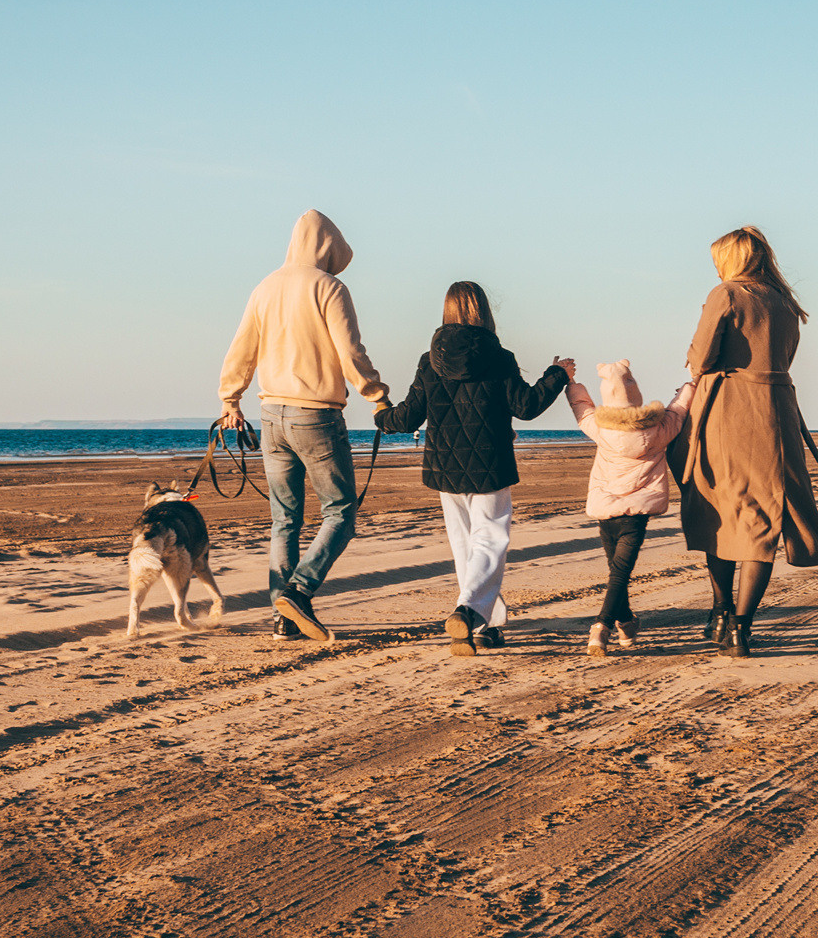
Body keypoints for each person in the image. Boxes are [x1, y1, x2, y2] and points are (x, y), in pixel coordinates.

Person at [216, 210, 390, 643]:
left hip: (270, 415)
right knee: (341, 512)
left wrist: (230, 399)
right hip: (317, 415)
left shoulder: (265, 287)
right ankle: (299, 589)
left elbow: (242, 348)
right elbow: (350, 352)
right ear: (328, 248)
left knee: (284, 520)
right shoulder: (330, 288)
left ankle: (283, 620)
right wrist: (377, 396)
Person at [376, 282, 570, 656]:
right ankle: (467, 609)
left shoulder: (428, 360)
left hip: (445, 466)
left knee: (464, 543)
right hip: (490, 462)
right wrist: (557, 374)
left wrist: (383, 419)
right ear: (484, 311)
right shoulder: (498, 357)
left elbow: (410, 414)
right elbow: (526, 406)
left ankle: (484, 624)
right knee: (490, 539)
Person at [676, 226, 818, 658]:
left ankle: (722, 611)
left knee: (719, 512)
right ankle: (742, 627)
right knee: (763, 517)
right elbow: (784, 357)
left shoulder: (726, 294)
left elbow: (701, 359)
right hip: (776, 412)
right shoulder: (784, 303)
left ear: (732, 259)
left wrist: (693, 359)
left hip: (727, 409)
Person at [562, 360, 694, 657]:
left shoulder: (599, 426)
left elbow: (581, 406)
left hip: (606, 509)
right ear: (636, 393)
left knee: (617, 571)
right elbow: (680, 408)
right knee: (619, 572)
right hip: (637, 513)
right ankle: (606, 624)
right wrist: (692, 382)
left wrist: (571, 382)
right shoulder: (660, 428)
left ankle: (619, 622)